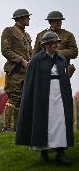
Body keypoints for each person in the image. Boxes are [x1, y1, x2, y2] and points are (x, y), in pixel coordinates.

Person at [16, 31, 74, 166]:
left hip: (59, 96)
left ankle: (60, 153)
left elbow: (64, 79)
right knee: (43, 122)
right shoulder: (36, 60)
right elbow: (30, 83)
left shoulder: (61, 59)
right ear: (46, 45)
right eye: (53, 43)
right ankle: (44, 153)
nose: (56, 45)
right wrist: (32, 99)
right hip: (42, 97)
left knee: (60, 123)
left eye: (57, 42)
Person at [1, 9, 33, 132]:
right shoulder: (9, 31)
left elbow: (30, 53)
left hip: (26, 72)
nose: (29, 19)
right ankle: (7, 127)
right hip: (14, 71)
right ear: (20, 18)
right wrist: (21, 60)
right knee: (13, 97)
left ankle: (17, 128)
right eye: (27, 17)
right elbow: (5, 50)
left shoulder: (27, 35)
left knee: (21, 99)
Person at [33, 11, 78, 78]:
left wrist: (55, 53)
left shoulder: (68, 35)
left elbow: (74, 52)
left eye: (60, 20)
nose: (59, 22)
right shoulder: (41, 35)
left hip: (62, 70)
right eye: (56, 21)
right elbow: (35, 54)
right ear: (50, 22)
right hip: (44, 70)